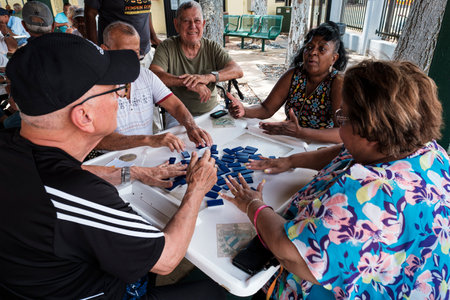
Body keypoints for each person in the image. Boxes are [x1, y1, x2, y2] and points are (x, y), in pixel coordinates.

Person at [0, 33, 225, 300]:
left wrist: (136, 172)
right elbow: (167, 259)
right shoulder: (79, 196)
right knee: (213, 291)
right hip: (99, 292)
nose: (121, 94)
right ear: (84, 116)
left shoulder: (11, 146)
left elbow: (62, 177)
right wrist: (197, 189)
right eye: (113, 88)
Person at [221, 60, 450, 299]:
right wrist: (290, 161)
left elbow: (289, 253)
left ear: (370, 132)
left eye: (345, 119)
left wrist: (253, 204)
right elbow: (345, 151)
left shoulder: (372, 197)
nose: (340, 127)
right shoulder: (427, 151)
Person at [95, 21, 212, 153]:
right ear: (105, 50)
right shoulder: (93, 87)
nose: (133, 61)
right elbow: (96, 140)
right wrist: (148, 140)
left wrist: (191, 127)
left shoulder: (146, 75)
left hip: (147, 154)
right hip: (111, 162)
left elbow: (175, 106)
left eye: (137, 53)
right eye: (126, 54)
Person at [228, 21, 347, 144]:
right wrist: (244, 110)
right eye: (309, 47)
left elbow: (342, 133)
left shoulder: (338, 83)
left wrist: (299, 132)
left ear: (334, 58)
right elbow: (266, 108)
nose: (313, 53)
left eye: (322, 49)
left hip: (320, 146)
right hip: (291, 139)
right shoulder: (293, 75)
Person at [150, 1, 243, 127]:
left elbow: (237, 70)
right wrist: (189, 82)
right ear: (176, 25)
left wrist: (208, 77)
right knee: (182, 146)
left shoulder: (212, 47)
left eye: (197, 21)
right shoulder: (167, 47)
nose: (192, 26)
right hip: (178, 115)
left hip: (212, 112)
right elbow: (153, 75)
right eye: (186, 21)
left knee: (232, 136)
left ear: (203, 24)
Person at [85, 0, 161, 63]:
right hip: (116, 55)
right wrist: (94, 47)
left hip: (144, 52)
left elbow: (146, 12)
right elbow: (90, 13)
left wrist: (153, 37)